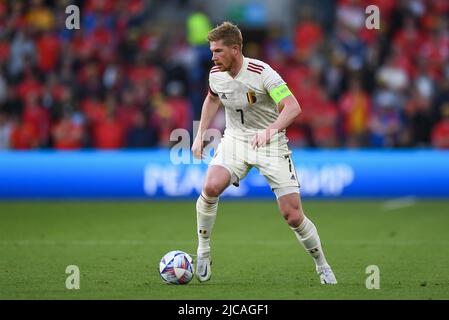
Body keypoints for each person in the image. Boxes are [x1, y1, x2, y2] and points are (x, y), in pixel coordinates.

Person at [191, 22, 337, 284]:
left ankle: (322, 266)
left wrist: (270, 130)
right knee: (211, 186)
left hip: (270, 144)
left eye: (218, 51)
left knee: (292, 215)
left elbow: (292, 107)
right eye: (212, 51)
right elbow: (212, 98)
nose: (213, 57)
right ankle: (203, 250)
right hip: (235, 140)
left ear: (235, 49)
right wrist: (201, 133)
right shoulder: (216, 73)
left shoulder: (262, 72)